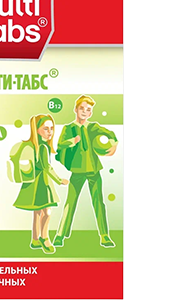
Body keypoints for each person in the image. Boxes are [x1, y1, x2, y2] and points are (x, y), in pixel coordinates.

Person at [54, 95, 118, 248]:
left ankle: (104, 236)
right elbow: (60, 145)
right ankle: (60, 235)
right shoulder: (68, 128)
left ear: (90, 113)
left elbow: (111, 134)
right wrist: (72, 141)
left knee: (98, 202)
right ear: (75, 109)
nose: (84, 111)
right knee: (70, 202)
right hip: (77, 170)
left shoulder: (93, 127)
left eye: (88, 109)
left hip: (94, 170)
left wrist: (113, 144)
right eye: (82, 108)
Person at [12, 114, 69, 254]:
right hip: (43, 183)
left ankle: (35, 239)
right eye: (46, 129)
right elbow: (47, 167)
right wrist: (59, 180)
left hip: (33, 183)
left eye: (52, 128)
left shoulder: (35, 145)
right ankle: (45, 238)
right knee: (47, 212)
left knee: (37, 212)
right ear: (37, 130)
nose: (50, 132)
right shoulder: (43, 147)